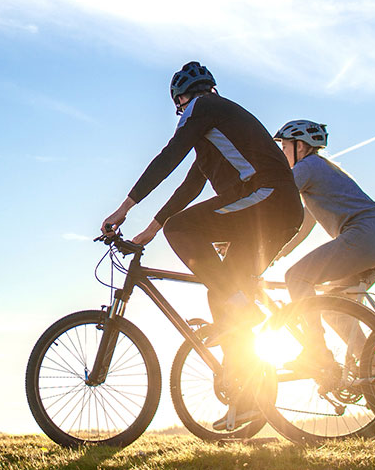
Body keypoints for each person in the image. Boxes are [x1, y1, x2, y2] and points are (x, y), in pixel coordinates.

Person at [101, 62, 303, 430]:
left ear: (181, 100)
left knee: (184, 232)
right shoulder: (215, 132)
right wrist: (148, 231)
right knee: (221, 295)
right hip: (277, 209)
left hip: (267, 197)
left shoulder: (201, 109)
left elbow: (168, 157)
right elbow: (190, 185)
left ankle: (246, 308)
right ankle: (248, 401)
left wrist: (124, 208)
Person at [273, 120, 375, 364]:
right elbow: (302, 228)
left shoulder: (307, 167)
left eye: (285, 147)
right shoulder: (320, 172)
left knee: (297, 278)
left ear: (301, 147)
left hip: (362, 236)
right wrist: (275, 253)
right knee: (334, 311)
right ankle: (374, 371)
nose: (282, 153)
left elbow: (276, 201)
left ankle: (315, 351)